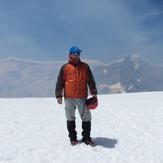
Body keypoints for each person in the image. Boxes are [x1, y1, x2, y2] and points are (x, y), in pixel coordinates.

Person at [55, 46, 98, 146]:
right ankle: (73, 138)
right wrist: (58, 95)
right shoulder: (65, 68)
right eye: (75, 53)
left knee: (86, 117)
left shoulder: (85, 66)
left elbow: (90, 80)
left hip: (82, 97)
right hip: (69, 97)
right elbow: (60, 82)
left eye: (78, 53)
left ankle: (86, 138)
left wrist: (94, 93)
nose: (77, 55)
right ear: (70, 54)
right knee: (70, 118)